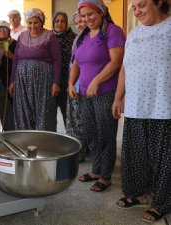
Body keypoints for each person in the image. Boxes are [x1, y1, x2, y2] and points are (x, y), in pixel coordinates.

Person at [113, 0, 171, 222]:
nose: (137, 11)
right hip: (136, 105)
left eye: (142, 5)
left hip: (164, 106)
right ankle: (138, 194)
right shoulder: (135, 34)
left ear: (159, 3)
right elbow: (125, 68)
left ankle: (162, 202)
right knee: (135, 154)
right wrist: (118, 97)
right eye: (134, 7)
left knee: (163, 158)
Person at [68, 0, 126, 192]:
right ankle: (96, 169)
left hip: (105, 92)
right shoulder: (83, 35)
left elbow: (117, 62)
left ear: (101, 12)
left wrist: (97, 81)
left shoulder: (112, 31)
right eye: (83, 16)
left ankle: (105, 175)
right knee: (91, 133)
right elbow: (76, 63)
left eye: (90, 14)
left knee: (105, 134)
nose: (87, 19)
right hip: (85, 93)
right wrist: (70, 83)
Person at [9, 8, 62, 131]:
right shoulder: (22, 36)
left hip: (43, 82)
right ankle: (27, 143)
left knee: (43, 112)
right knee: (24, 112)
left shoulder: (50, 36)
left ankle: (44, 144)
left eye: (36, 22)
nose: (32, 26)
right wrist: (12, 81)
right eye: (30, 23)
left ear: (42, 22)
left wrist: (56, 83)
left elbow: (57, 61)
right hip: (22, 82)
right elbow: (16, 59)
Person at [65, 11, 88, 162]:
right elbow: (73, 64)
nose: (80, 25)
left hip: (85, 86)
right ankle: (75, 151)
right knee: (72, 120)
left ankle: (81, 152)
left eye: (82, 21)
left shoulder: (91, 38)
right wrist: (70, 83)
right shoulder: (77, 39)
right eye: (78, 22)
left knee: (81, 121)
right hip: (74, 84)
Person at [52, 11, 76, 126]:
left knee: (68, 113)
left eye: (62, 21)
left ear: (66, 23)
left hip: (69, 79)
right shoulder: (48, 38)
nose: (59, 24)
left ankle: (71, 140)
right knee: (49, 114)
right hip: (51, 80)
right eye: (57, 21)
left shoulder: (74, 38)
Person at [0, 20, 16, 131]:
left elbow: (21, 61)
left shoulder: (15, 44)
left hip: (10, 81)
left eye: (4, 29)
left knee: (8, 111)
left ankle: (9, 136)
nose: (2, 31)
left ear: (9, 31)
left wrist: (11, 56)